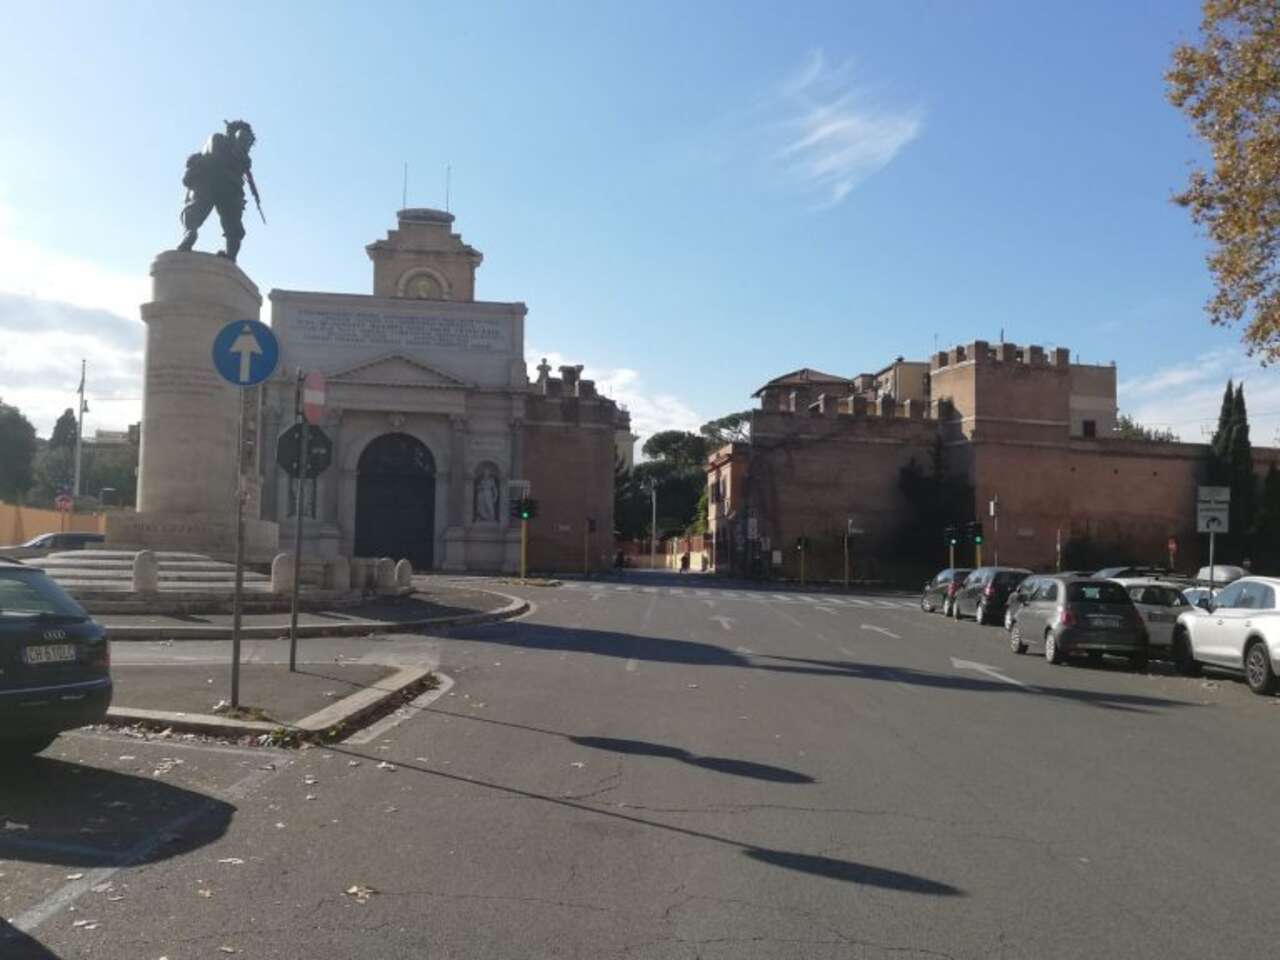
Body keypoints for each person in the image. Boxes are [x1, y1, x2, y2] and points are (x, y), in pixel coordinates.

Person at [176, 120, 262, 262]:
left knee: (194, 212)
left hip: (208, 183)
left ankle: (190, 233)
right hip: (227, 187)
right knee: (233, 226)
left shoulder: (219, 141)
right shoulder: (228, 147)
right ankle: (231, 255)